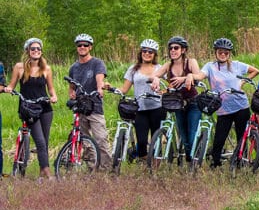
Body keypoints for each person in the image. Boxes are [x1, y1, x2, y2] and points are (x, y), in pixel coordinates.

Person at [195, 37, 259, 168]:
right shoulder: (210, 67)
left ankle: (241, 161)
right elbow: (200, 75)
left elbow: (255, 71)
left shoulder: (237, 65)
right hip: (223, 109)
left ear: (230, 53)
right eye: (220, 52)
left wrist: (242, 81)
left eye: (226, 52)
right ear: (215, 53)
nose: (223, 55)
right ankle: (216, 163)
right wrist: (191, 77)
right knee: (219, 138)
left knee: (242, 137)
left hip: (241, 106)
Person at [1, 38, 58, 178]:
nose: (36, 51)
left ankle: (41, 173)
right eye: (33, 49)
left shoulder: (46, 69)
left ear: (41, 51)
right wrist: (8, 89)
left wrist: (54, 96)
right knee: (39, 140)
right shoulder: (19, 67)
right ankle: (48, 174)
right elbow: (12, 85)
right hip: (28, 108)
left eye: (38, 49)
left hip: (44, 107)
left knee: (44, 140)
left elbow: (51, 89)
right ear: (28, 51)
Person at [111, 39, 165, 162]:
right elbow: (124, 89)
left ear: (154, 54)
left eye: (150, 51)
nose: (147, 53)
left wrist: (164, 92)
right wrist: (111, 88)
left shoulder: (160, 68)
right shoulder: (133, 69)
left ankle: (155, 165)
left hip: (157, 107)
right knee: (141, 140)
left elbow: (169, 85)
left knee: (156, 139)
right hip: (140, 108)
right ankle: (144, 160)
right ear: (141, 52)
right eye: (144, 51)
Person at [68, 33, 113, 170]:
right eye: (79, 45)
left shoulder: (97, 63)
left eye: (85, 45)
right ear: (77, 48)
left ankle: (106, 169)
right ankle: (92, 168)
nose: (82, 47)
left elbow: (100, 79)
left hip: (94, 106)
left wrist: (100, 88)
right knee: (85, 140)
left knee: (101, 138)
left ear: (90, 47)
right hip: (80, 107)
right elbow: (71, 86)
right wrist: (71, 94)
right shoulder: (73, 68)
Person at [153, 35, 201, 161]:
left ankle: (194, 161)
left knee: (192, 136)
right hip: (177, 104)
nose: (173, 50)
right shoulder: (168, 66)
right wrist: (156, 79)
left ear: (183, 50)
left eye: (176, 48)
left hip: (192, 103)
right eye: (170, 48)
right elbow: (154, 75)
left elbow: (199, 76)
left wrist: (187, 77)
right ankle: (189, 161)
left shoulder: (191, 62)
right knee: (184, 137)